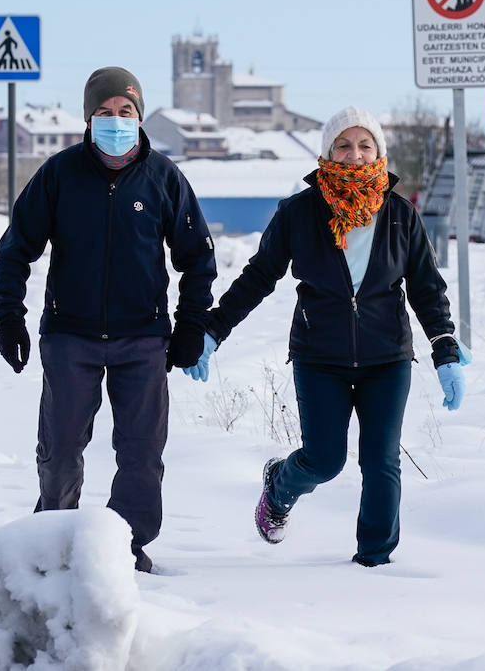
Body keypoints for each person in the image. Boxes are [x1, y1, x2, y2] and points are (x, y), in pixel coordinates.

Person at [191, 105, 468, 567]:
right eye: (344, 144)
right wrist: (214, 329)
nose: (355, 155)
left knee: (381, 463)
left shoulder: (400, 214)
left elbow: (426, 286)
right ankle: (279, 488)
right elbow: (260, 277)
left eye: (365, 145)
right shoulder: (299, 213)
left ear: (378, 151)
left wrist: (445, 346)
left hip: (387, 357)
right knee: (324, 460)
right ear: (327, 151)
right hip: (319, 357)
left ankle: (374, 561)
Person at [0, 66, 216, 574]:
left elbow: (198, 259)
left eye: (126, 112)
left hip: (143, 339)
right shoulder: (59, 174)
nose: (116, 121)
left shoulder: (164, 178)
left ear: (139, 117)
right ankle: (53, 538)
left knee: (141, 452)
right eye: (105, 112)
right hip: (71, 336)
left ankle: (125, 549)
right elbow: (14, 252)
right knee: (61, 447)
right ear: (88, 119)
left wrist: (190, 326)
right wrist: (10, 317)